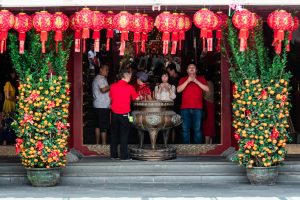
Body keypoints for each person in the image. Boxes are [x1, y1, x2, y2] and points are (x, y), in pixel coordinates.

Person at [109, 68, 140, 160]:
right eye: (130, 76)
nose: (131, 77)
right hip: (125, 114)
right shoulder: (130, 87)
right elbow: (136, 98)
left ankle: (113, 155)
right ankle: (124, 156)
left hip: (114, 114)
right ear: (126, 76)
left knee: (114, 134)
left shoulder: (113, 86)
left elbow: (111, 97)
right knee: (124, 134)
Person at [177, 64, 209, 144]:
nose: (191, 69)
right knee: (185, 129)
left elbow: (207, 89)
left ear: (196, 70)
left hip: (198, 108)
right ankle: (186, 149)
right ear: (187, 71)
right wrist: (188, 81)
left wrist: (196, 81)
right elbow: (178, 90)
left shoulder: (201, 78)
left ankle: (197, 149)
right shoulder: (183, 79)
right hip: (185, 108)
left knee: (197, 129)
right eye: (189, 68)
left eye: (193, 67)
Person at [92, 65, 110, 145]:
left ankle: (97, 143)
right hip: (102, 105)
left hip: (98, 105)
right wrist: (112, 85)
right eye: (106, 70)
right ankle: (104, 144)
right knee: (103, 126)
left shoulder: (100, 78)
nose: (107, 71)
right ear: (101, 70)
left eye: (108, 70)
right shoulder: (100, 79)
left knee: (98, 125)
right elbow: (103, 90)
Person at [203, 72, 215, 144]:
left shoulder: (207, 83)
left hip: (207, 105)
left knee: (207, 124)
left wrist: (202, 95)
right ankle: (210, 143)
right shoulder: (211, 83)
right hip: (211, 104)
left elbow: (208, 94)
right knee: (210, 124)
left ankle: (206, 144)